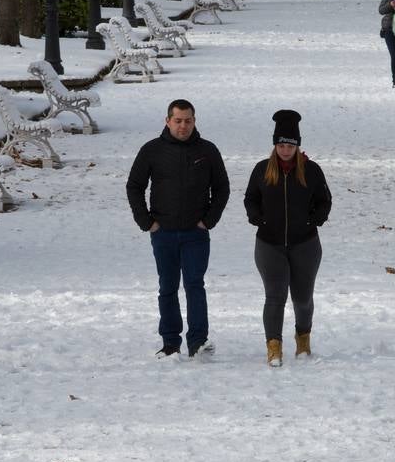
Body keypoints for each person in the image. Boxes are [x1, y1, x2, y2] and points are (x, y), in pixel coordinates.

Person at [126, 99, 230, 361]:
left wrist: (209, 220)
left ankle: (197, 342)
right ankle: (170, 343)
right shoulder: (152, 150)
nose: (183, 126)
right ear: (167, 121)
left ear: (194, 121)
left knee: (195, 285)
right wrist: (147, 222)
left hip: (196, 233)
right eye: (178, 120)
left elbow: (222, 188)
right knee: (168, 287)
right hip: (163, 233)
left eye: (188, 120)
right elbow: (134, 186)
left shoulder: (208, 151)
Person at [243, 110, 332, 367]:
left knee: (302, 297)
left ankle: (303, 339)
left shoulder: (312, 171)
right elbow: (250, 198)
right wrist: (256, 217)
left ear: (297, 145)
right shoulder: (262, 169)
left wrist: (314, 220)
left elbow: (324, 201)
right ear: (275, 145)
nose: (284, 150)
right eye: (280, 145)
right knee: (274, 296)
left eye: (289, 145)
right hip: (269, 244)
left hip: (305, 243)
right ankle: (274, 346)